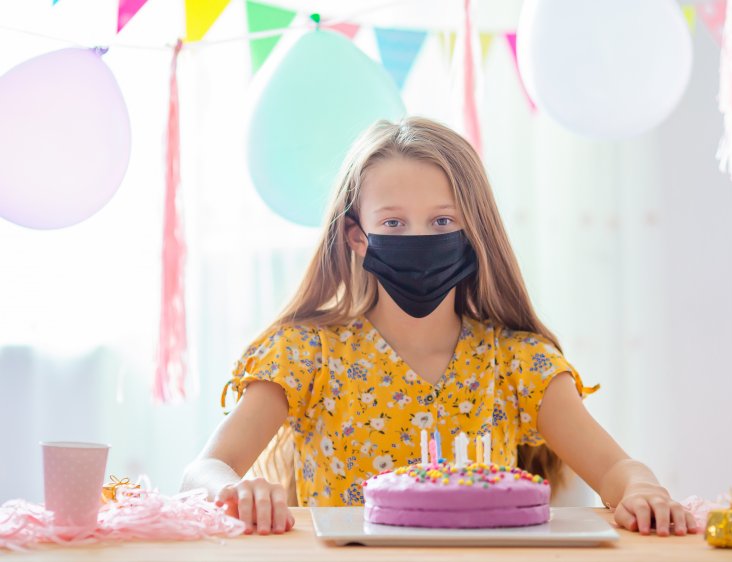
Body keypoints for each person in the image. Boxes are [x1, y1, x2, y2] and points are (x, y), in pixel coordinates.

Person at [181, 117, 696, 537]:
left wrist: (644, 490)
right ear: (357, 237)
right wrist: (234, 489)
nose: (420, 237)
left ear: (474, 231)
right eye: (394, 223)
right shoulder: (305, 354)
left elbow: (615, 472)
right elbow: (202, 471)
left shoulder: (519, 362)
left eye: (443, 221)